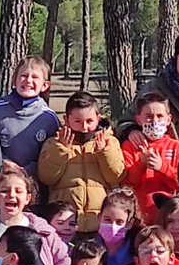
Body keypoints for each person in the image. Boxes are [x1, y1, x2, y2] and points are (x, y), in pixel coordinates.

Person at [38, 90, 125, 236]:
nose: (84, 127)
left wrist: (104, 152)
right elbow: (47, 177)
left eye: (89, 121)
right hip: (65, 221)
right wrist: (61, 150)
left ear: (98, 119)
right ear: (67, 120)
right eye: (77, 121)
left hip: (99, 221)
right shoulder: (54, 143)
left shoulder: (109, 142)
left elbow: (117, 176)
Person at [0, 56, 61, 177]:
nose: (28, 80)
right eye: (23, 76)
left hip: (34, 181)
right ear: (14, 80)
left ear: (45, 86)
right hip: (1, 178)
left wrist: (31, 169)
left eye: (35, 77)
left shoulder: (49, 118)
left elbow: (53, 154)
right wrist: (3, 162)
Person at [122, 92, 179, 222]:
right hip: (137, 218)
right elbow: (126, 183)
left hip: (169, 218)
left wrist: (162, 167)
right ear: (138, 120)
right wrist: (141, 164)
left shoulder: (176, 147)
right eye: (149, 116)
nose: (155, 121)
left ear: (168, 119)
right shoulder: (130, 146)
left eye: (160, 116)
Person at [96, 187, 143, 265]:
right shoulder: (90, 248)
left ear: (129, 224)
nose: (113, 227)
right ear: (99, 218)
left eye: (119, 222)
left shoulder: (137, 251)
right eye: (107, 220)